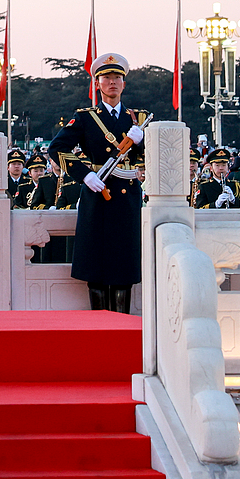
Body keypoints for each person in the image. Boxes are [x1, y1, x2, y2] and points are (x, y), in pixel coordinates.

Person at [46, 52, 146, 314]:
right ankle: (100, 325)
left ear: (124, 84)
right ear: (97, 84)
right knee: (97, 267)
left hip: (126, 197)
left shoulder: (138, 119)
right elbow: (57, 148)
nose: (112, 82)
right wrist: (84, 175)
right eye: (106, 78)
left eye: (117, 78)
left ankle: (122, 327)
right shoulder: (86, 117)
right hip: (98, 193)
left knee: (124, 268)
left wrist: (143, 140)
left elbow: (158, 157)